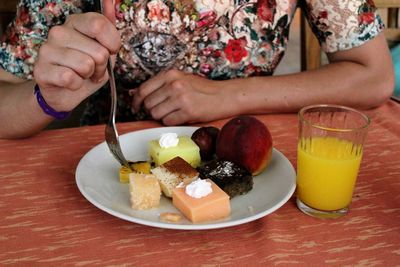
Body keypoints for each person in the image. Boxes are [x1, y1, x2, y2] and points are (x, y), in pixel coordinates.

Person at [0, 0, 395, 139]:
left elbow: (374, 74)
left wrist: (224, 95)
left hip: (255, 164)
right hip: (112, 172)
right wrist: (46, 99)